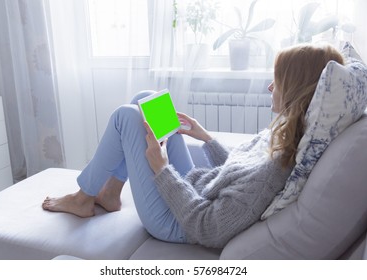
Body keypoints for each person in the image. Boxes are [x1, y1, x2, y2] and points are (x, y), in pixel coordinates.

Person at [42, 43, 345, 248]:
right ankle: (109, 193)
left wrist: (162, 169)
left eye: (276, 80)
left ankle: (83, 198)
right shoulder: (285, 133)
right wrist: (206, 138)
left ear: (295, 88)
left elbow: (206, 227)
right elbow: (241, 176)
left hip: (178, 222)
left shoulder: (275, 167)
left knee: (126, 117)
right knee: (146, 99)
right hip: (196, 191)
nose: (269, 86)